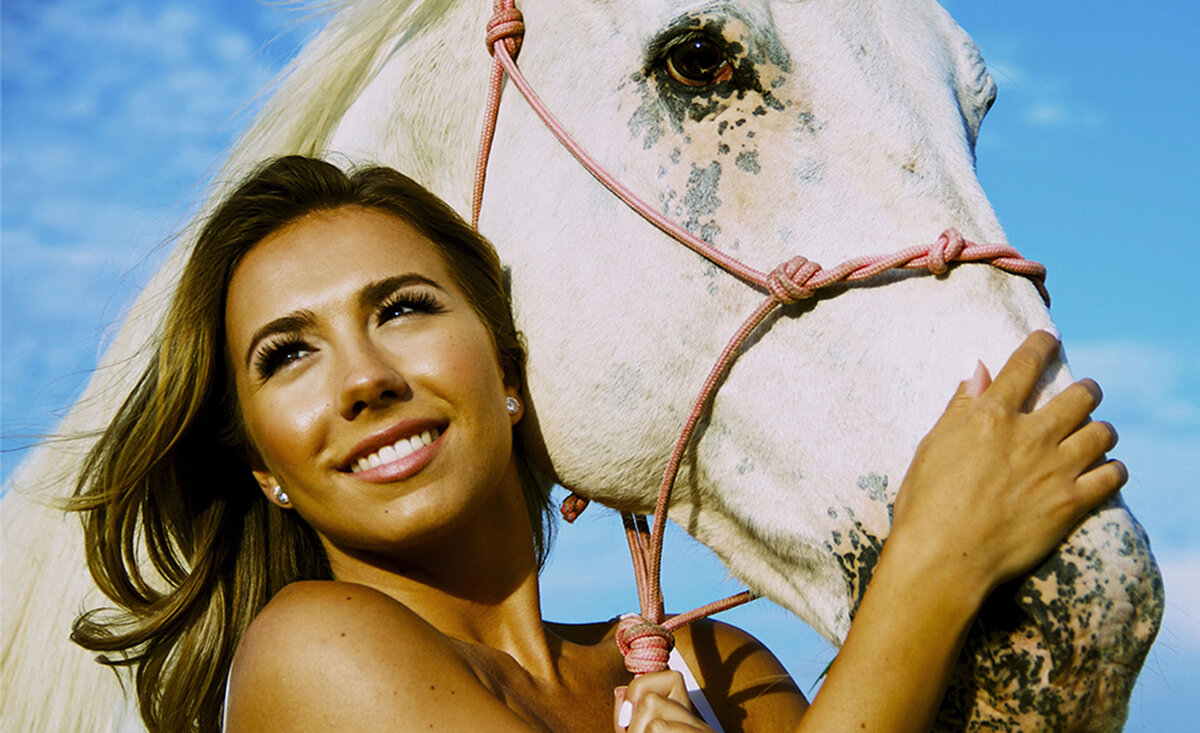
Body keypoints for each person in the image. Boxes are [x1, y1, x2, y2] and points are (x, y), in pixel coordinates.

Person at [69, 155, 1125, 733]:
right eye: (286, 355)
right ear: (263, 467)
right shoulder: (313, 653)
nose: (364, 379)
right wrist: (932, 564)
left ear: (512, 375)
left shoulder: (717, 662)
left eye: (402, 307)